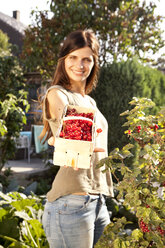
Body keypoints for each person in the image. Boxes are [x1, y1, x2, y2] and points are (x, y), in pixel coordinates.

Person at [40, 29, 114, 248]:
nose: (79, 65)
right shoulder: (57, 94)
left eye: (86, 59)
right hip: (71, 204)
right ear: (63, 59)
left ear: (94, 63)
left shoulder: (90, 102)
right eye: (73, 57)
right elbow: (72, 130)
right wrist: (64, 142)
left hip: (98, 201)